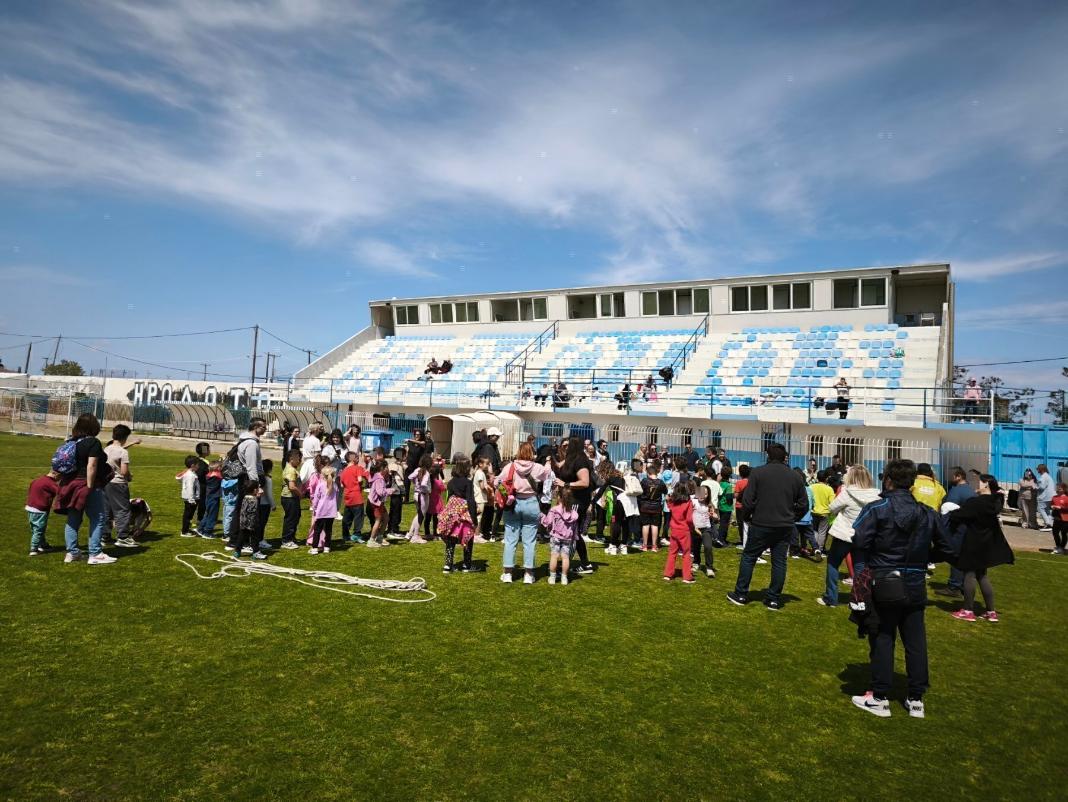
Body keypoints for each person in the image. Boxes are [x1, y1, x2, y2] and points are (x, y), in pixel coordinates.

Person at [850, 459, 951, 719]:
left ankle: (880, 696)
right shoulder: (927, 513)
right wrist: (924, 558)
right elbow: (948, 547)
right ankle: (916, 698)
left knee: (883, 636)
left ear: (888, 480)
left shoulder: (878, 508)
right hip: (914, 581)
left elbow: (859, 539)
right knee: (915, 640)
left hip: (885, 579)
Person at [727, 443, 807, 611]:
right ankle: (773, 598)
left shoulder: (758, 473)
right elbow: (803, 505)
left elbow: (748, 500)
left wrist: (747, 517)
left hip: (761, 523)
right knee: (779, 561)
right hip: (784, 525)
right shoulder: (795, 476)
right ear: (785, 457)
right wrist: (792, 518)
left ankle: (741, 593)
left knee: (749, 557)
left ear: (768, 456)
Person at [948, 474, 1014, 622]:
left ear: (986, 485)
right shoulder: (995, 501)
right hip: (987, 543)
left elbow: (958, 516)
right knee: (982, 575)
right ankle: (991, 611)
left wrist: (950, 511)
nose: (976, 485)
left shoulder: (976, 502)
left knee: (969, 574)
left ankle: (968, 610)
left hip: (974, 541)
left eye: (979, 482)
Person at [54, 413, 116, 565]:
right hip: (86, 484)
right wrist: (89, 486)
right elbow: (92, 465)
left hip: (70, 484)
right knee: (98, 517)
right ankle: (95, 553)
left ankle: (72, 552)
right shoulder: (93, 442)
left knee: (73, 519)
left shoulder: (72, 442)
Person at [819, 465, 880, 607]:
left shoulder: (847, 493)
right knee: (860, 566)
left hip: (844, 534)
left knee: (833, 563)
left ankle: (831, 597)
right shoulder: (876, 495)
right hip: (864, 536)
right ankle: (859, 599)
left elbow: (832, 508)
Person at [499, 442, 551, 584]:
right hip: (531, 503)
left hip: (512, 503)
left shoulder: (510, 466)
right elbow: (547, 474)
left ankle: (508, 573)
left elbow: (498, 481)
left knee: (510, 539)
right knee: (529, 541)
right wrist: (548, 462)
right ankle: (529, 574)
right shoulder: (537, 467)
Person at [553, 438, 596, 574]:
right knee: (573, 533)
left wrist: (565, 484)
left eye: (568, 445)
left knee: (571, 532)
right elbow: (558, 466)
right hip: (571, 500)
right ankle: (585, 564)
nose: (566, 448)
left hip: (578, 500)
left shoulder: (580, 460)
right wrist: (549, 456)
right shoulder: (571, 458)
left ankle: (567, 564)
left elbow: (585, 482)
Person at [438, 455, 480, 573]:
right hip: (464, 514)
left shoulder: (451, 482)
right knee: (467, 537)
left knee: (451, 538)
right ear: (466, 468)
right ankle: (467, 565)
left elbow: (448, 498)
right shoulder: (468, 482)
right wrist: (474, 519)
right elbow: (470, 500)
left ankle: (448, 565)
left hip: (452, 513)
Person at [103, 424, 138, 548]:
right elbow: (123, 471)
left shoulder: (106, 449)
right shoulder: (123, 452)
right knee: (122, 510)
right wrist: (129, 476)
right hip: (118, 483)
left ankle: (105, 536)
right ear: (125, 437)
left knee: (107, 510)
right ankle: (123, 537)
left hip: (105, 483)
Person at [542, 487, 579, 585]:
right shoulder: (574, 513)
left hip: (555, 537)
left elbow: (548, 522)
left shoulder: (554, 510)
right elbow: (575, 528)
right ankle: (564, 578)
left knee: (554, 556)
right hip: (568, 538)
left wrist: (542, 517)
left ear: (559, 497)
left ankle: (552, 577)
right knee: (565, 557)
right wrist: (575, 537)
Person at [663, 480, 696, 583]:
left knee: (672, 552)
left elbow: (669, 505)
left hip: (674, 530)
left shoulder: (673, 502)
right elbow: (689, 519)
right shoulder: (688, 502)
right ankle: (687, 576)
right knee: (686, 553)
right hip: (684, 530)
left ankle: (668, 574)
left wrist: (668, 499)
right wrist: (692, 527)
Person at [26, 469, 60, 556]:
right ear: (55, 474)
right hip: (40, 509)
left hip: (30, 507)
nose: (59, 479)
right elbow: (60, 492)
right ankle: (34, 548)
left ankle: (43, 544)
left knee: (36, 528)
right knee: (39, 530)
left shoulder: (38, 480)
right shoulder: (50, 483)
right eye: (60, 477)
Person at [233, 479, 268, 560]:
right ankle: (256, 552)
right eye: (258, 488)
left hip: (243, 521)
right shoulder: (254, 500)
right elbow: (253, 512)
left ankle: (237, 551)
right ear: (255, 490)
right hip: (252, 523)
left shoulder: (245, 497)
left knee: (242, 536)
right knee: (255, 538)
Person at [339, 451, 369, 543]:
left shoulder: (343, 471)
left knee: (347, 517)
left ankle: (345, 535)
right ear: (352, 459)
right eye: (356, 457)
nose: (358, 458)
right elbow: (360, 479)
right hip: (357, 496)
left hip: (348, 496)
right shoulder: (357, 468)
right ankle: (357, 534)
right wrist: (362, 484)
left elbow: (342, 485)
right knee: (358, 517)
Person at [308, 465, 338, 555]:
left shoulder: (320, 485)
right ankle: (327, 547)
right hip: (331, 511)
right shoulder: (335, 486)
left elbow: (316, 498)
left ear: (323, 475)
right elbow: (336, 498)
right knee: (328, 530)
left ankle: (314, 548)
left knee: (317, 530)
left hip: (321, 511)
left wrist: (314, 507)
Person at [639, 460, 668, 552]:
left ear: (648, 473)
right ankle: (654, 546)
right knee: (655, 526)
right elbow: (666, 492)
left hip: (645, 506)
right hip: (656, 507)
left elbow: (640, 491)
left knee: (645, 525)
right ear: (657, 473)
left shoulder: (644, 481)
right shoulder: (661, 482)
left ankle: (644, 545)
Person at [279, 449, 303, 549]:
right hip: (290, 498)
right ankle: (286, 540)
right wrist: (300, 494)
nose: (300, 461)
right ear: (291, 458)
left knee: (295, 517)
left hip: (291, 497)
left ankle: (291, 537)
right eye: (299, 459)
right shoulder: (291, 470)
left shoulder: (291, 468)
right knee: (291, 519)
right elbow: (292, 487)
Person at [366, 462, 393, 548]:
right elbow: (380, 492)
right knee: (378, 520)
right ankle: (371, 541)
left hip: (378, 502)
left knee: (386, 518)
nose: (388, 469)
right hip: (376, 503)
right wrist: (391, 491)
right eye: (386, 467)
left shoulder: (378, 477)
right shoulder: (379, 479)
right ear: (382, 469)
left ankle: (379, 537)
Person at [809, 470, 835, 551]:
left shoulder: (811, 487)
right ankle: (819, 548)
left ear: (817, 478)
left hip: (813, 512)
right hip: (825, 513)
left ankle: (815, 548)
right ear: (826, 478)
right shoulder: (829, 489)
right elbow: (832, 502)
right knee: (822, 532)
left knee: (815, 531)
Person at [178, 455, 201, 537]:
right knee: (188, 515)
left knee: (189, 515)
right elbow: (190, 488)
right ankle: (184, 531)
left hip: (189, 497)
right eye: (197, 464)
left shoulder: (189, 473)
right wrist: (191, 499)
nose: (199, 466)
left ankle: (187, 529)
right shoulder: (190, 475)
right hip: (190, 498)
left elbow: (178, 478)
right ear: (193, 465)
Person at [256, 458, 276, 552]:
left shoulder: (258, 478)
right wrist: (273, 505)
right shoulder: (268, 479)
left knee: (258, 523)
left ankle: (258, 539)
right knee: (262, 523)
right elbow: (269, 494)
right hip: (265, 504)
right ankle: (260, 540)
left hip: (258, 503)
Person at [403, 429, 428, 502]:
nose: (416, 436)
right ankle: (406, 499)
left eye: (418, 434)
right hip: (409, 465)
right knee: (406, 482)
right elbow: (406, 453)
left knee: (419, 483)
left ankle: (419, 498)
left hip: (418, 467)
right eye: (415, 434)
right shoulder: (410, 443)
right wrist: (404, 462)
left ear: (421, 435)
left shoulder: (423, 443)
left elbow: (421, 443)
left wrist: (409, 440)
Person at [715, 467, 734, 548]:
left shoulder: (720, 484)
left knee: (722, 523)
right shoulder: (728, 485)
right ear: (729, 475)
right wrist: (733, 496)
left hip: (721, 506)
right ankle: (721, 540)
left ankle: (722, 539)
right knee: (724, 525)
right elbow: (729, 497)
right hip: (727, 507)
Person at [1035, 464, 1055, 532]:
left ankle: (1048, 524)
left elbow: (1042, 487)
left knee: (1040, 509)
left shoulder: (1043, 477)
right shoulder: (1048, 476)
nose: (1037, 470)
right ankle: (1051, 524)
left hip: (1044, 496)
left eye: (1038, 469)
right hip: (1050, 496)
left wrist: (1035, 486)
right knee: (1047, 510)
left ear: (1041, 469)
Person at [1051, 483, 1068, 554]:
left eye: (1059, 489)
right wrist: (1052, 507)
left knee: (1063, 533)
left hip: (1065, 519)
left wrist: (1061, 508)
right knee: (1055, 532)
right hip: (1057, 518)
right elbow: (1052, 504)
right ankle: (1058, 546)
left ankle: (1062, 547)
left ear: (1064, 490)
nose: (1057, 490)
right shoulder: (1054, 497)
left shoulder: (1066, 498)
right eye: (1057, 488)